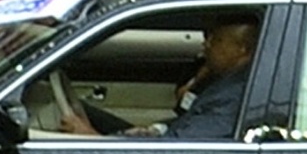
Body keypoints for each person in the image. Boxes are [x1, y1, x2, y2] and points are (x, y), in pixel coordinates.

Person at [58, 15, 261, 139]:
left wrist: (94, 140)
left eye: (217, 40)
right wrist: (155, 129)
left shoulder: (234, 97)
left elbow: (177, 149)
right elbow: (186, 118)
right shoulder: (224, 80)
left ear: (242, 50)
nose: (206, 44)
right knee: (85, 110)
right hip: (168, 134)